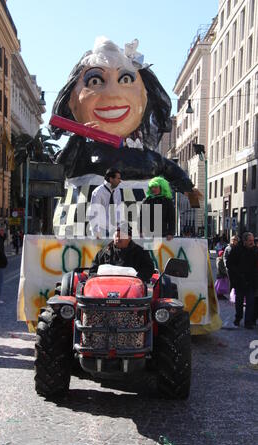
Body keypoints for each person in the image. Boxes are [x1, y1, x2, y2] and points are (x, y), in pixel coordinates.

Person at [50, 37, 202, 237]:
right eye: (95, 81)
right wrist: (79, 136)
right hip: (87, 230)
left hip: (144, 230)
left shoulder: (145, 155)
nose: (113, 93)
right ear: (72, 101)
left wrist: (188, 188)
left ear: (145, 97)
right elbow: (62, 168)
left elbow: (169, 168)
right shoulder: (83, 152)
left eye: (126, 79)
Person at [89, 223, 154, 282]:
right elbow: (93, 271)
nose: (118, 239)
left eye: (121, 236)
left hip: (133, 287)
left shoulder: (141, 253)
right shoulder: (104, 252)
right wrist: (97, 278)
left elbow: (148, 269)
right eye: (116, 236)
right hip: (107, 286)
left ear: (129, 238)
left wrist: (138, 278)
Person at [226, 232, 257, 329]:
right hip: (240, 281)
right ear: (244, 241)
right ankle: (238, 318)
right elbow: (229, 264)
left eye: (253, 241)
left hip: (251, 281)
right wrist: (237, 274)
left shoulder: (255, 251)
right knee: (239, 302)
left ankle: (248, 322)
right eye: (250, 241)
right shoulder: (236, 250)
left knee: (251, 302)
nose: (252, 243)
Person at [88, 168, 122, 238]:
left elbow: (118, 210)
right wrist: (96, 232)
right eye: (118, 178)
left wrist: (118, 227)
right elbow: (93, 213)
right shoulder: (98, 192)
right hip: (101, 230)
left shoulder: (117, 191)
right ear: (111, 179)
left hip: (113, 229)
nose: (120, 181)